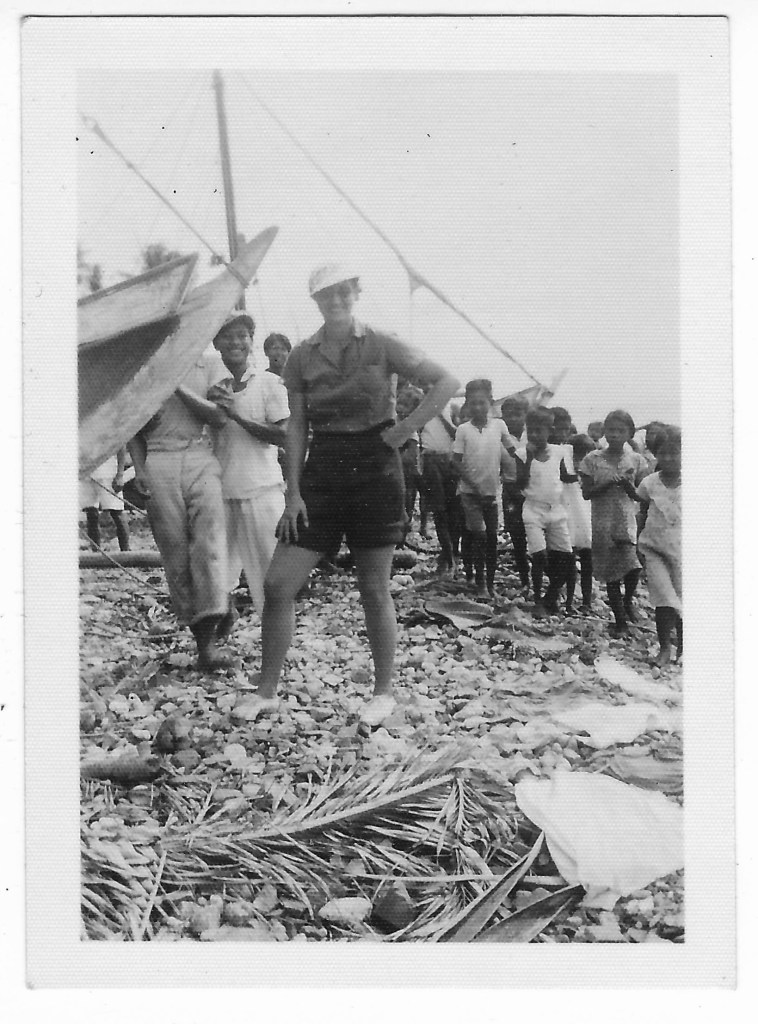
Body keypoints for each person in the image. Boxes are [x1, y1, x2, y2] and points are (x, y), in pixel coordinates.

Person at [232, 265, 460, 726]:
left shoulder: (382, 342)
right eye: (325, 295)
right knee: (278, 585)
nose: (335, 301)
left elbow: (446, 381)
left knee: (373, 587)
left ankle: (383, 692)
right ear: (315, 301)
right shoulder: (301, 355)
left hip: (376, 466)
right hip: (323, 466)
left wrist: (404, 431)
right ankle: (267, 691)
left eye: (342, 292)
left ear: (356, 293)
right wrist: (293, 493)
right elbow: (297, 426)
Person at [128, 346, 232, 670]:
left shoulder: (210, 363)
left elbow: (219, 416)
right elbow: (132, 427)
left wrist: (175, 385)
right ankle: (204, 642)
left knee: (209, 545)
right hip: (159, 458)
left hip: (200, 453)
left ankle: (215, 621)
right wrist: (139, 469)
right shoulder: (144, 366)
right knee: (175, 553)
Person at [207, 311, 290, 617]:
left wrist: (236, 414)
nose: (235, 343)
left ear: (251, 341)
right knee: (217, 580)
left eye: (242, 336)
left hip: (261, 492)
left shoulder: (269, 383)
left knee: (272, 580)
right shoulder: (210, 386)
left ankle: (279, 642)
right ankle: (223, 632)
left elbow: (283, 435)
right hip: (220, 494)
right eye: (227, 336)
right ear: (216, 342)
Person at [579, 409, 650, 636]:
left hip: (627, 520)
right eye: (611, 430)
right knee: (611, 573)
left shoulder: (637, 460)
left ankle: (627, 601)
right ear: (604, 432)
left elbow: (641, 495)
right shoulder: (592, 460)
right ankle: (620, 621)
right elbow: (586, 493)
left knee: (633, 567)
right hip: (603, 522)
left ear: (630, 433)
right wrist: (608, 483)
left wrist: (628, 486)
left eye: (621, 430)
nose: (615, 435)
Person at [452, 381, 517, 598]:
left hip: (491, 493)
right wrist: (473, 484)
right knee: (478, 535)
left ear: (490, 402)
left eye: (482, 403)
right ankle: (480, 583)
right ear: (467, 405)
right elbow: (456, 461)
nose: (478, 407)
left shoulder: (499, 426)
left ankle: (490, 583)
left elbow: (513, 452)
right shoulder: (463, 430)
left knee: (491, 538)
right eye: (473, 403)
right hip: (470, 494)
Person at [515, 406, 577, 617]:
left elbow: (565, 476)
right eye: (530, 430)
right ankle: (538, 600)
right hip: (533, 509)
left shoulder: (559, 452)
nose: (534, 435)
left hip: (556, 510)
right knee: (539, 555)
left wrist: (584, 474)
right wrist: (529, 458)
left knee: (567, 557)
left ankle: (551, 596)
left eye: (539, 430)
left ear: (550, 431)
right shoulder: (521, 454)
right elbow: (520, 483)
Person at [636, 426, 682, 666]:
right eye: (663, 453)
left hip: (683, 552)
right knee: (663, 598)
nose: (668, 458)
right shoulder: (650, 483)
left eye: (674, 453)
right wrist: (637, 542)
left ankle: (683, 648)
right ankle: (664, 648)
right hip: (654, 549)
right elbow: (642, 512)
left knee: (683, 600)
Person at [549, 408, 592, 614]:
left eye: (566, 429)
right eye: (559, 428)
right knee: (566, 555)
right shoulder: (549, 451)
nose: (562, 433)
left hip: (577, 506)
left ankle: (582, 601)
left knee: (580, 552)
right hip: (562, 504)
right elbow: (564, 475)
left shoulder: (568, 448)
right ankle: (564, 599)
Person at [419, 391, 462, 575]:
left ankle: (450, 555)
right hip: (431, 461)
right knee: (439, 511)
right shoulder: (421, 407)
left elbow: (457, 434)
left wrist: (440, 416)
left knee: (454, 511)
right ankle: (447, 557)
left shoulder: (452, 408)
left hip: (450, 461)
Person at [499, 394, 531, 591]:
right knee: (517, 536)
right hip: (510, 491)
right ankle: (525, 578)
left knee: (538, 534)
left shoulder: (533, 435)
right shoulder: (499, 438)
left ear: (526, 415)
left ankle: (542, 574)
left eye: (518, 414)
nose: (513, 419)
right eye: (509, 415)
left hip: (534, 492)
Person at [566, 433, 596, 612]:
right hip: (570, 521)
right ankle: (569, 601)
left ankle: (586, 601)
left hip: (586, 523)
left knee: (587, 564)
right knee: (569, 563)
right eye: (579, 455)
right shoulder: (566, 472)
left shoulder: (592, 474)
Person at [80, 449, 131, 551]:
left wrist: (120, 475)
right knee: (91, 514)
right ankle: (96, 552)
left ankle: (126, 552)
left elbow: (121, 446)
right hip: (86, 473)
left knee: (117, 513)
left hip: (108, 473)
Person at [395, 384, 424, 541]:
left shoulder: (410, 428)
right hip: (394, 471)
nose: (400, 408)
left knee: (407, 502)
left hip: (406, 473)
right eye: (398, 403)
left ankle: (402, 538)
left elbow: (410, 455)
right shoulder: (393, 421)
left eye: (405, 405)